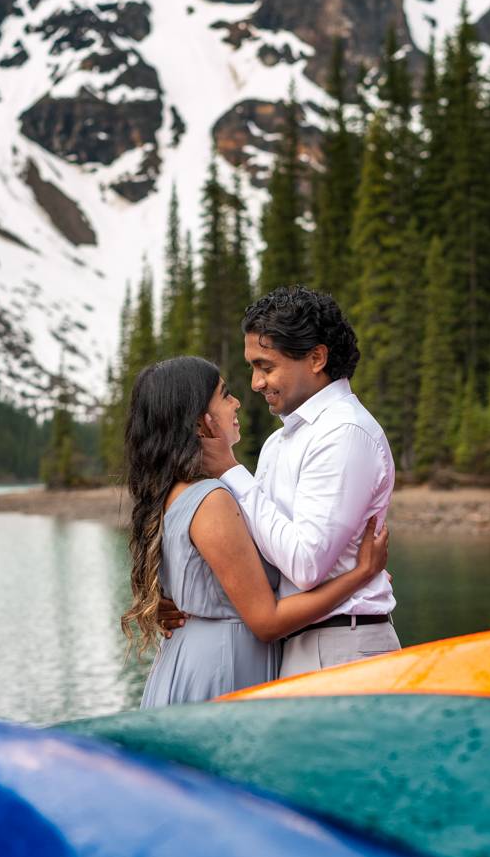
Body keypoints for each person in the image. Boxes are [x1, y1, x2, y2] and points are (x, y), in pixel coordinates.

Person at [123, 355, 388, 707]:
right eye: (225, 394)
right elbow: (266, 621)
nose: (238, 400)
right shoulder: (212, 499)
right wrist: (362, 574)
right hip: (222, 668)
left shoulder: (178, 493)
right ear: (202, 423)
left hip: (201, 658)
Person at [195, 286, 401, 677]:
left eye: (265, 366)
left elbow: (305, 564)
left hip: (342, 649)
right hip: (302, 644)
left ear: (316, 358)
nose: (256, 383)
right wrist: (193, 606)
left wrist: (230, 471)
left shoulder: (345, 432)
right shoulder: (281, 440)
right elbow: (263, 552)